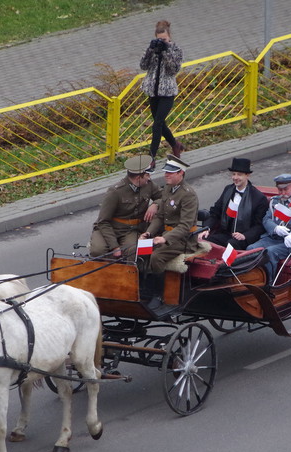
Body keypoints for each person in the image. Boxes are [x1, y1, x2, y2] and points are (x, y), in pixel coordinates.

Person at [140, 155, 199, 308]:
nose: (166, 174)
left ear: (181, 173)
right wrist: (149, 233)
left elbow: (185, 226)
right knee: (139, 251)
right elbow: (160, 216)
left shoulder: (188, 194)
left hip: (183, 240)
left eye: (170, 172)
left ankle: (158, 295)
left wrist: (165, 239)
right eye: (166, 171)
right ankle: (143, 288)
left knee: (156, 257)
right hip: (165, 235)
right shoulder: (167, 188)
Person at [89, 154, 161, 260]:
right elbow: (103, 221)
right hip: (110, 228)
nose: (149, 178)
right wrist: (115, 247)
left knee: (134, 251)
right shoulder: (115, 192)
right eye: (147, 175)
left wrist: (155, 204)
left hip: (131, 230)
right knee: (98, 251)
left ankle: (131, 274)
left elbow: (164, 197)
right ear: (138, 177)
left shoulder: (148, 185)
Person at [246, 173, 291, 285]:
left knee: (269, 253)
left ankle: (268, 284)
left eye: (285, 189)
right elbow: (266, 219)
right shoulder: (275, 201)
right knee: (251, 249)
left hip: (290, 242)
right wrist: (275, 228)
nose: (282, 193)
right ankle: (252, 280)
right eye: (279, 190)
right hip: (272, 237)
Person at [139, 20, 185, 169]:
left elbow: (174, 69)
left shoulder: (176, 49)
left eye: (164, 39)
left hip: (167, 92)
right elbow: (143, 66)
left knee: (157, 123)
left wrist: (165, 51)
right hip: (153, 91)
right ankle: (175, 145)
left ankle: (151, 158)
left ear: (169, 37)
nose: (162, 42)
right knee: (160, 123)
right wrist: (151, 50)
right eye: (159, 39)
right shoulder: (153, 49)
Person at [198, 157, 268, 250]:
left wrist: (244, 235)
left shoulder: (258, 198)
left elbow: (259, 226)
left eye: (239, 175)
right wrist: (206, 229)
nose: (235, 178)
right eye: (233, 174)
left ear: (247, 175)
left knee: (231, 244)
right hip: (225, 234)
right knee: (202, 240)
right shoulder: (228, 190)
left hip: (243, 238)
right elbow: (215, 212)